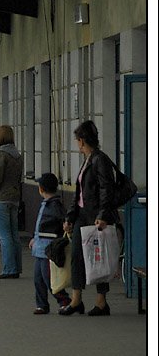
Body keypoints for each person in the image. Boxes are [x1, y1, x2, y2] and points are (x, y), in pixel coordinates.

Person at [60, 120, 118, 316]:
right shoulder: (88, 159)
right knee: (77, 255)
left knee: (98, 257)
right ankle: (76, 300)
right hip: (82, 215)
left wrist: (103, 215)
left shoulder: (99, 159)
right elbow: (79, 194)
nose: (77, 144)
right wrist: (70, 217)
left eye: (77, 140)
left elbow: (106, 189)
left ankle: (102, 302)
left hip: (95, 217)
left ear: (82, 140)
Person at [29, 172, 71, 314]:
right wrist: (35, 238)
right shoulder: (47, 204)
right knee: (38, 279)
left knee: (49, 278)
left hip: (49, 249)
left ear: (41, 189)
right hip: (40, 247)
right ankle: (41, 304)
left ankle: (63, 300)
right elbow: (41, 226)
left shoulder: (54, 205)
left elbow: (58, 222)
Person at [0, 125, 24, 279]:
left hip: (1, 199)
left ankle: (9, 269)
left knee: (5, 236)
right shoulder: (17, 155)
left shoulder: (1, 155)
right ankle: (17, 267)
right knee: (14, 234)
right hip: (14, 198)